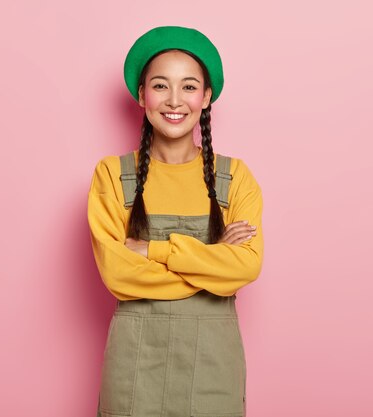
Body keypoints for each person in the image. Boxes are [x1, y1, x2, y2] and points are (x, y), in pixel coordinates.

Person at [87, 25, 264, 417]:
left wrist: (153, 250)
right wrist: (213, 262)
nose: (174, 100)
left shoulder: (235, 178)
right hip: (135, 368)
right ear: (141, 95)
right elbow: (118, 274)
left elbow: (246, 266)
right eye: (160, 85)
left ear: (206, 96)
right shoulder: (113, 175)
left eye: (188, 87)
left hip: (213, 371)